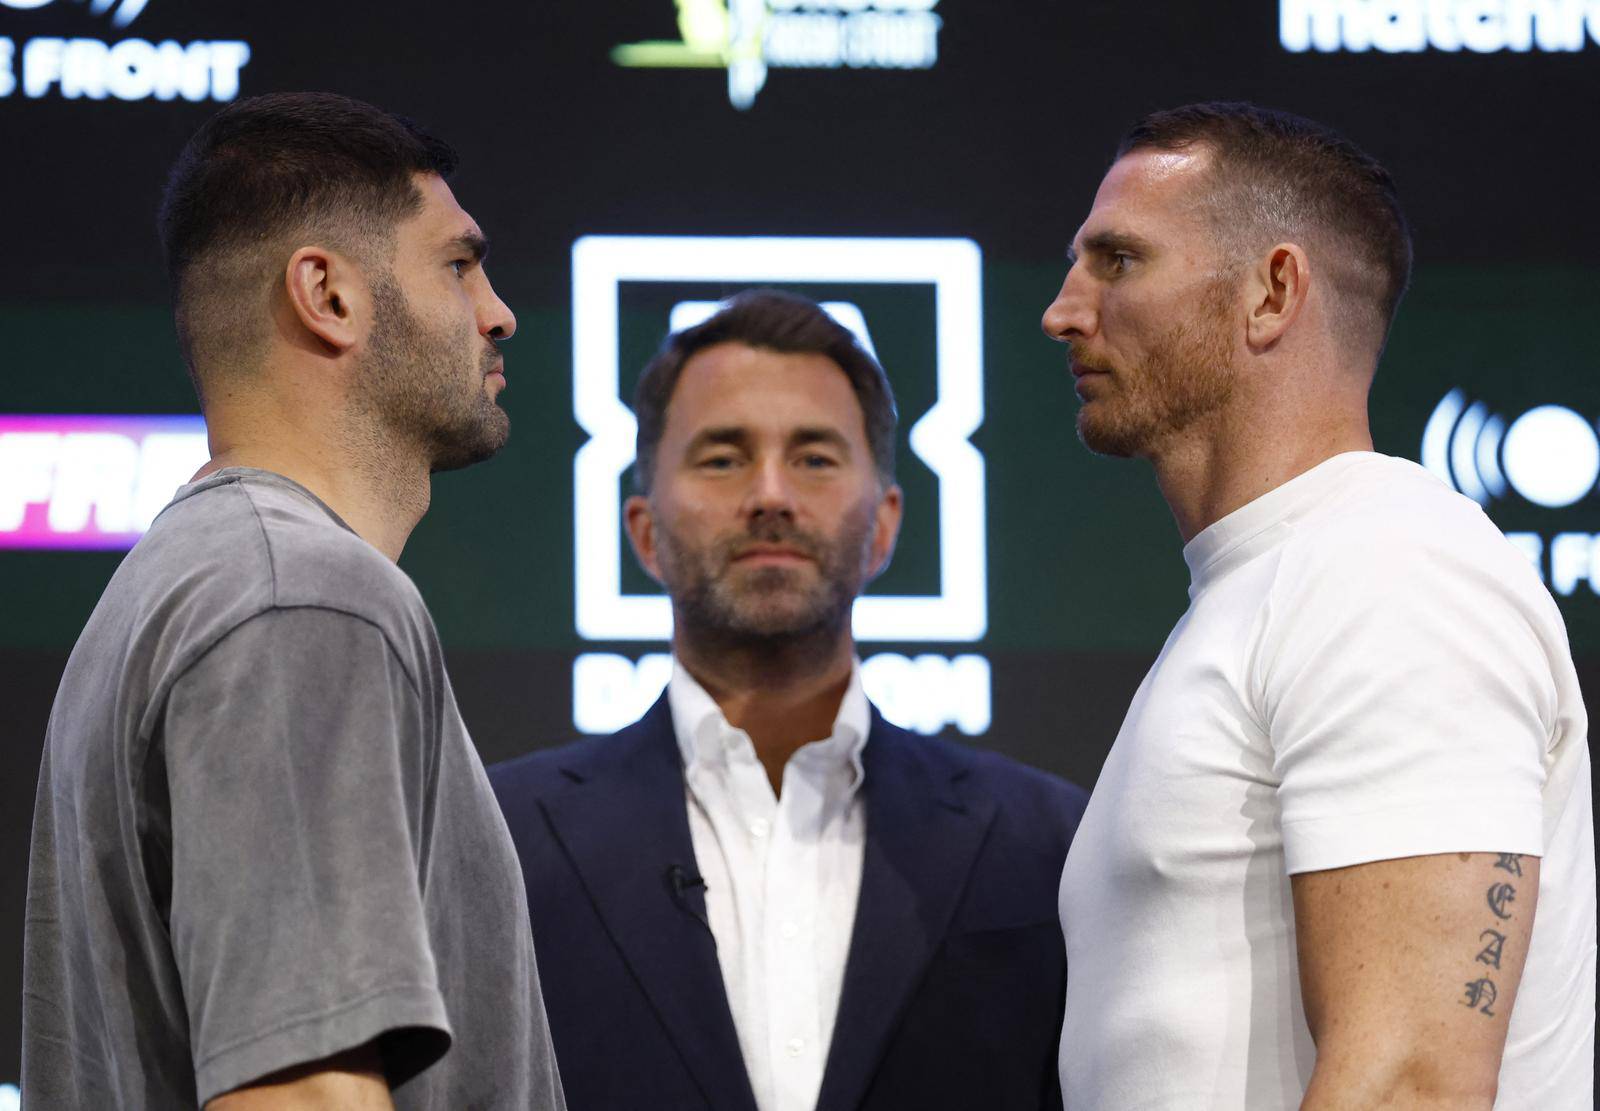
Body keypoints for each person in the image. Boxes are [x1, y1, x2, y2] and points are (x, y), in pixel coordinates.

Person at [1042, 101, 1594, 1109]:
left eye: (1117, 261)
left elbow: (1410, 1085)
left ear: (1271, 291)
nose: (1063, 310)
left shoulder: (1387, 567)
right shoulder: (1265, 586)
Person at [21, 92, 566, 1110]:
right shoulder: (300, 599)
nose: (497, 310)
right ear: (328, 294)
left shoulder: (180, 584)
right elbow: (303, 1093)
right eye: (457, 263)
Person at [491, 289, 1087, 1111]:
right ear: (643, 532)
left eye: (813, 456)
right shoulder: (498, 840)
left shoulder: (1050, 844)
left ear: (884, 526)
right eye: (722, 456)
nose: (770, 492)